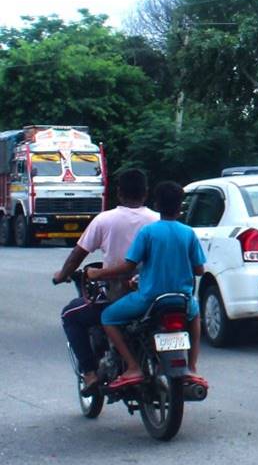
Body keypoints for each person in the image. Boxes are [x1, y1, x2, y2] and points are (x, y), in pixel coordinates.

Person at [87, 181, 206, 390]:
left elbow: (128, 266)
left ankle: (133, 366)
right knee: (195, 317)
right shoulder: (188, 233)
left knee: (108, 317)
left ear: (157, 204)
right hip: (182, 300)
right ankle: (193, 367)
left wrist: (98, 273)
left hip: (150, 299)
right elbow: (199, 270)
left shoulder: (148, 232)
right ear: (181, 207)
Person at [53, 169, 159, 395]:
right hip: (153, 293)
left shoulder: (105, 220)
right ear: (146, 193)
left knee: (70, 315)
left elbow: (77, 255)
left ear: (119, 193)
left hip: (119, 294)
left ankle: (90, 374)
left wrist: (61, 275)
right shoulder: (158, 220)